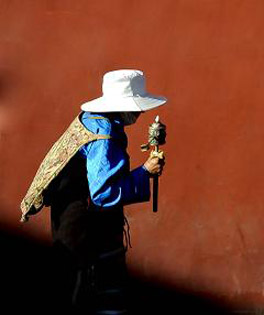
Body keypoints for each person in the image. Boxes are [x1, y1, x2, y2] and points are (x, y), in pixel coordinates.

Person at [20, 69, 166, 314]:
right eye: (138, 106)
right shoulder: (103, 136)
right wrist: (145, 172)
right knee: (92, 292)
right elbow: (104, 193)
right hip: (85, 226)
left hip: (72, 216)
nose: (141, 113)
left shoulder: (91, 118)